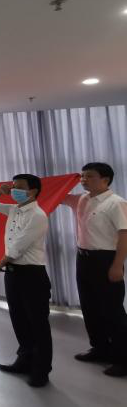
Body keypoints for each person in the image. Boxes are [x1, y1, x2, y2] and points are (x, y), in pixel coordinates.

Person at [0, 174, 52, 388]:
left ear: (33, 191)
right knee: (19, 319)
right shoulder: (14, 209)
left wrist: (2, 261)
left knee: (37, 323)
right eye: (13, 186)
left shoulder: (38, 215)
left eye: (19, 187)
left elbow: (19, 245)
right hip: (13, 273)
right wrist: (0, 190)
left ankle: (41, 370)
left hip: (31, 274)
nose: (14, 190)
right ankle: (24, 360)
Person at [61, 162, 127, 378]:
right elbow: (56, 196)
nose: (83, 180)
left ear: (105, 179)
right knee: (89, 307)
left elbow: (124, 236)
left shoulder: (116, 203)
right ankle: (100, 348)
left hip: (106, 259)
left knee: (112, 311)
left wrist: (117, 265)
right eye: (82, 176)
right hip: (84, 258)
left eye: (89, 176)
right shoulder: (81, 199)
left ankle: (123, 359)